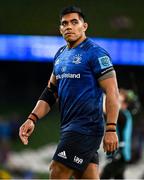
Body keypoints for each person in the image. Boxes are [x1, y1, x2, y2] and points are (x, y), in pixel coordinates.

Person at [19, 6, 120, 179]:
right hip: (68, 127)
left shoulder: (95, 53)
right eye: (64, 23)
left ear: (84, 26)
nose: (68, 26)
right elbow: (51, 92)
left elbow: (112, 92)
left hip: (86, 128)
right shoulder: (60, 55)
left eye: (74, 22)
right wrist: (31, 119)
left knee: (57, 170)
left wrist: (111, 128)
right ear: (60, 29)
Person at [101, 88, 133, 179]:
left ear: (125, 104)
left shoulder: (122, 114)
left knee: (104, 176)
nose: (116, 102)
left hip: (120, 155)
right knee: (119, 177)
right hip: (121, 155)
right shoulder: (126, 114)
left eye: (119, 100)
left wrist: (103, 95)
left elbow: (106, 109)